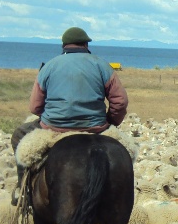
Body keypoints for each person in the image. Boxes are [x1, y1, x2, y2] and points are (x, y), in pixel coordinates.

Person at [10, 26, 128, 205]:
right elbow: (120, 102)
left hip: (54, 128)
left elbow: (34, 106)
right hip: (95, 128)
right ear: (86, 44)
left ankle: (23, 189)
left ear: (64, 45)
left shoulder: (49, 66)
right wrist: (111, 121)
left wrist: (51, 117)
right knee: (126, 150)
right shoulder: (102, 65)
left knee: (19, 135)